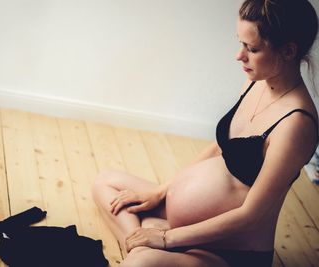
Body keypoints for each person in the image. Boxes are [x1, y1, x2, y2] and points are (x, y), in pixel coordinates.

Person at [92, 0, 319, 266]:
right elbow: (222, 146)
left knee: (141, 263)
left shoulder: (296, 124)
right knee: (105, 182)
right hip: (185, 226)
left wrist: (166, 238)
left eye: (252, 48)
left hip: (227, 249)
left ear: (288, 51)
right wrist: (161, 192)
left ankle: (150, 250)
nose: (239, 56)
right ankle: (145, 246)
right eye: (241, 43)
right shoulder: (257, 80)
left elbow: (251, 214)